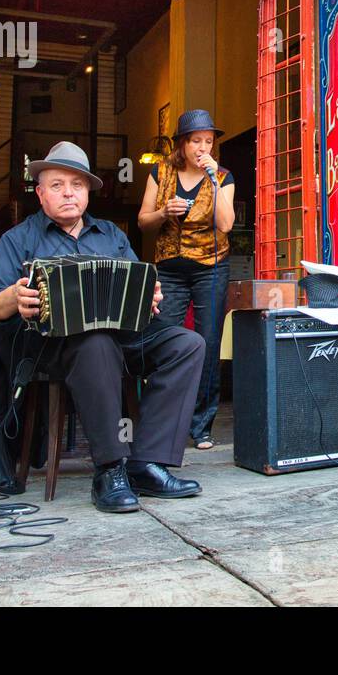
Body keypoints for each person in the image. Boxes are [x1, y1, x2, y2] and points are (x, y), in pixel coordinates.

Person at [0, 141, 205, 513]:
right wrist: (14, 297)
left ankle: (146, 461)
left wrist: (149, 297)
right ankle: (109, 469)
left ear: (87, 193)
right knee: (96, 341)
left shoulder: (112, 236)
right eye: (57, 185)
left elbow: (138, 285)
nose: (69, 192)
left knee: (188, 344)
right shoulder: (18, 239)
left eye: (78, 185)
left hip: (123, 337)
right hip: (52, 347)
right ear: (40, 193)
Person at [138, 109, 236, 449]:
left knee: (208, 343)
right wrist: (165, 212)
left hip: (211, 266)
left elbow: (225, 225)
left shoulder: (222, 175)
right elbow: (143, 222)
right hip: (169, 267)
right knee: (163, 338)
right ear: (183, 143)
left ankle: (201, 424)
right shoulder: (160, 171)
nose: (203, 147)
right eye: (196, 141)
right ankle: (163, 418)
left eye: (209, 142)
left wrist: (213, 179)